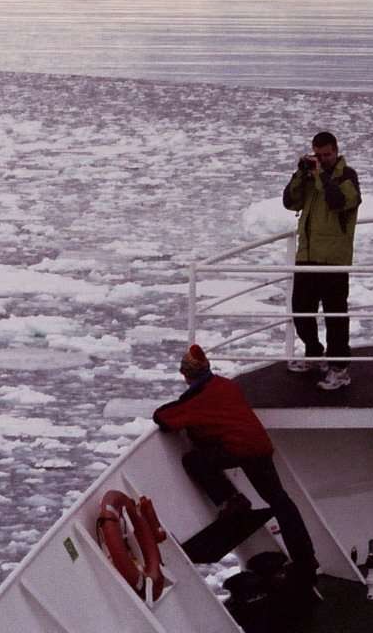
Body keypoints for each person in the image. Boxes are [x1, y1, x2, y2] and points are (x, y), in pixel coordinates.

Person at [153, 345, 318, 573]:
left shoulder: (197, 400)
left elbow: (164, 418)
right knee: (281, 501)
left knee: (194, 461)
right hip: (259, 447)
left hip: (239, 449)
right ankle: (305, 558)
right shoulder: (225, 385)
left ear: (187, 375)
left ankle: (231, 500)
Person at [282, 131, 361, 390]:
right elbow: (290, 203)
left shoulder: (347, 176)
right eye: (319, 155)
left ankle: (340, 368)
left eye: (327, 154)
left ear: (336, 151)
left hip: (334, 259)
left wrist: (320, 175)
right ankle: (315, 353)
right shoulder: (311, 177)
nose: (323, 159)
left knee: (335, 316)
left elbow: (339, 202)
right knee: (301, 311)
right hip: (307, 257)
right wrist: (299, 175)